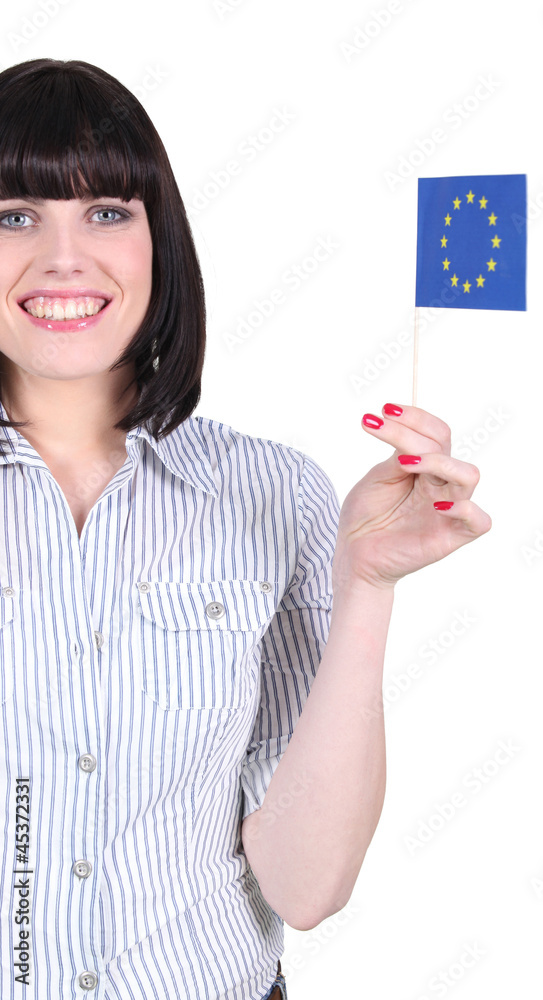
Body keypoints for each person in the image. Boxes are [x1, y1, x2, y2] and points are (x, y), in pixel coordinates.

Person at [0, 59, 491, 1000]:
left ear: (159, 241)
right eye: (16, 213)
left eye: (107, 211)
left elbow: (306, 887)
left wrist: (366, 588)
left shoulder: (272, 493)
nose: (63, 256)